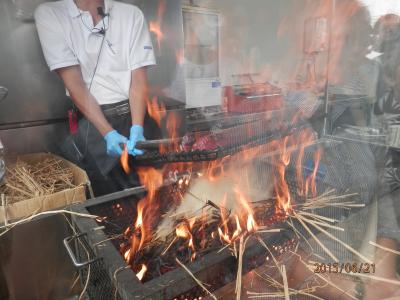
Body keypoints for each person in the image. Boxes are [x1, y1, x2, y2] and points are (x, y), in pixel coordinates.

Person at [34, 0, 156, 195]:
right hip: (94, 124)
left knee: (153, 193)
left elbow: (138, 80)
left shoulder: (131, 14)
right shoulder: (50, 14)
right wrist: (108, 133)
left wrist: (137, 127)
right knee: (108, 198)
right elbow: (74, 83)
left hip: (136, 115)